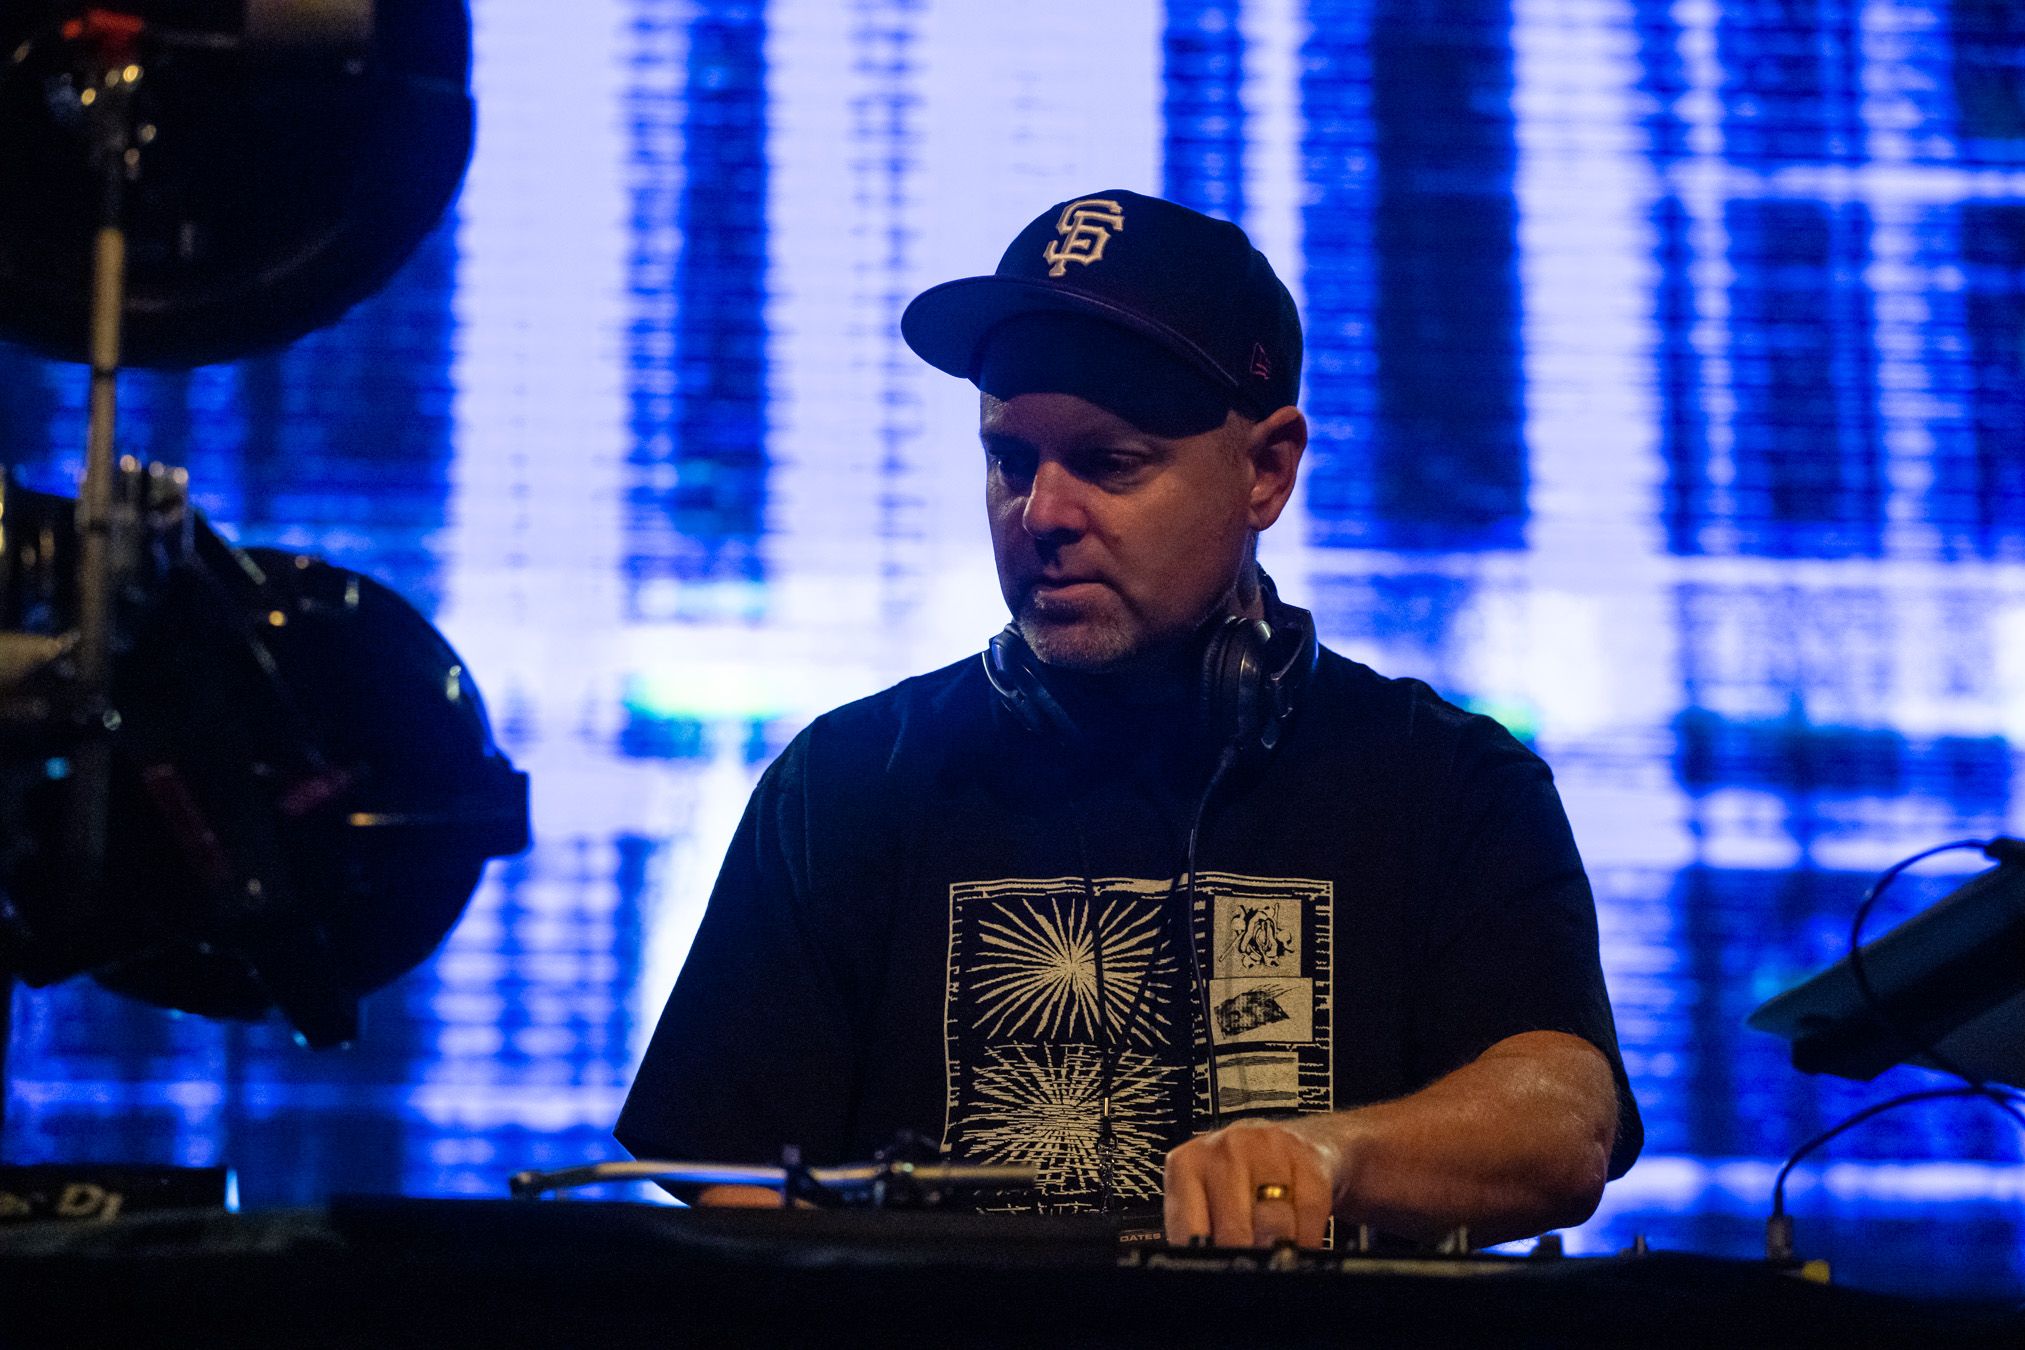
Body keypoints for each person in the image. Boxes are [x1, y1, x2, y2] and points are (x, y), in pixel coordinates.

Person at [617, 189, 1641, 1248]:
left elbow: (1563, 1123)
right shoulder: (844, 782)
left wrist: (1329, 1157)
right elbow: (732, 1176)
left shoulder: (1448, 782)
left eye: (1110, 464)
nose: (1042, 514)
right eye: (1011, 461)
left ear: (1266, 471)